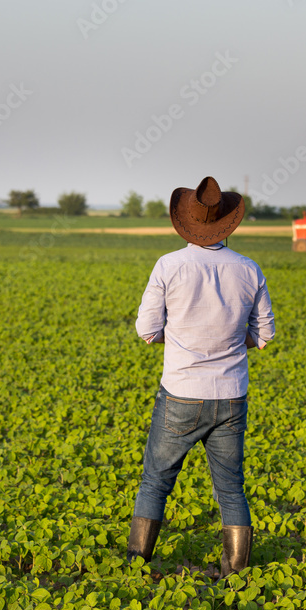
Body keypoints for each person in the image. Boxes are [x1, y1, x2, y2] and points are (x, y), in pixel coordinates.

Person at [128, 176, 275, 577]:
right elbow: (264, 334)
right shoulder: (249, 269)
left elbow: (146, 330)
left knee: (155, 482)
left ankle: (136, 566)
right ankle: (237, 574)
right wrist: (228, 342)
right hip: (231, 394)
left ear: (186, 223)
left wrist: (180, 339)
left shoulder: (169, 266)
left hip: (180, 393)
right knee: (231, 488)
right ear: (226, 223)